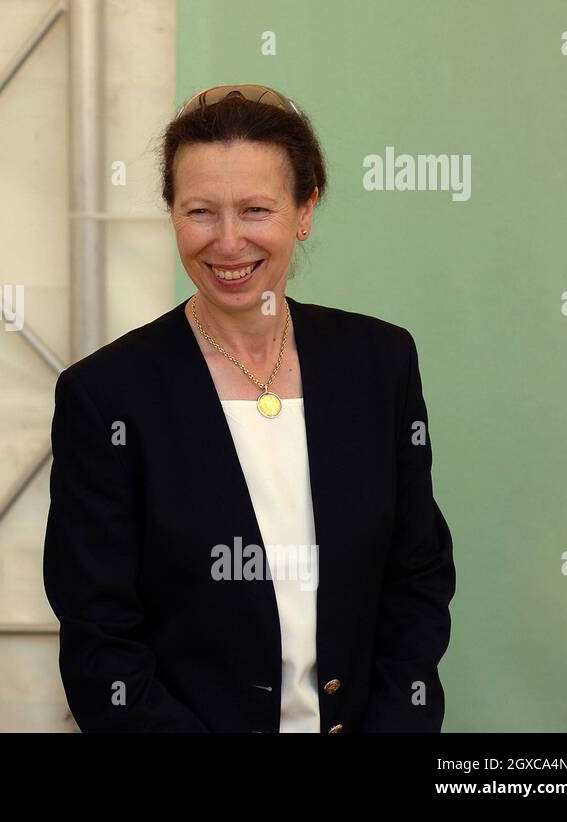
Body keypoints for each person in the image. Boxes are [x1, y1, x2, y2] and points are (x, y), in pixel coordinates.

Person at [43, 84, 456, 733]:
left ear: (305, 210)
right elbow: (102, 638)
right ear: (171, 212)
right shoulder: (107, 394)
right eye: (201, 211)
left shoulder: (379, 362)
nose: (228, 242)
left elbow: (417, 580)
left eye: (256, 209)